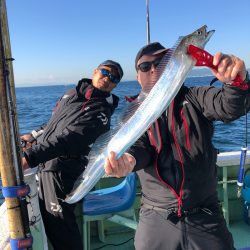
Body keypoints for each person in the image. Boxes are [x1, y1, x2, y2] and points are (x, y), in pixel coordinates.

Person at [104, 42, 250, 250]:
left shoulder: (195, 97)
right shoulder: (134, 112)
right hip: (156, 215)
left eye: (161, 63)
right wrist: (129, 160)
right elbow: (139, 147)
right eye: (145, 67)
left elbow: (228, 106)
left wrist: (236, 83)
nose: (154, 69)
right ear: (138, 76)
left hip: (205, 214)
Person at [21, 59, 123, 250]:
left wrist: (29, 158)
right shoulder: (71, 94)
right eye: (105, 72)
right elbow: (53, 125)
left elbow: (68, 139)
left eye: (114, 78)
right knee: (50, 225)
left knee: (62, 231)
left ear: (115, 85)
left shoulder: (101, 113)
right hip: (46, 166)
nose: (108, 78)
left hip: (63, 173)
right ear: (95, 71)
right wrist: (32, 136)